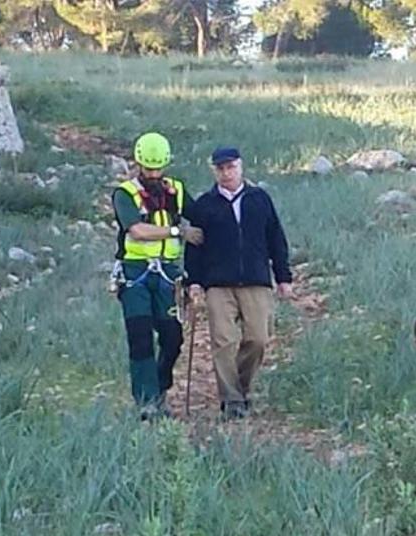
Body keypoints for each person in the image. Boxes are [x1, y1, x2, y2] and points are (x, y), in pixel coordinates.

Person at [184, 147, 292, 421]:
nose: (226, 172)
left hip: (256, 281)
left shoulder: (259, 199)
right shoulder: (204, 205)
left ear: (241, 167)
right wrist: (193, 282)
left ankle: (241, 388)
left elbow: (275, 238)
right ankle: (231, 400)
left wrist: (283, 277)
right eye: (220, 168)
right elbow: (194, 246)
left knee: (258, 339)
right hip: (218, 284)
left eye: (231, 167)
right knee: (223, 342)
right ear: (214, 171)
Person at [110, 132, 204, 421]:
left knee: (172, 337)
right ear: (138, 164)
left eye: (157, 169)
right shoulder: (124, 194)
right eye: (148, 169)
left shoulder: (175, 189)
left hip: (168, 274)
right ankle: (147, 401)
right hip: (135, 273)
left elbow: (200, 215)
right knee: (139, 337)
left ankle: (160, 385)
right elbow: (136, 230)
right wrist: (177, 232)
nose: (153, 174)